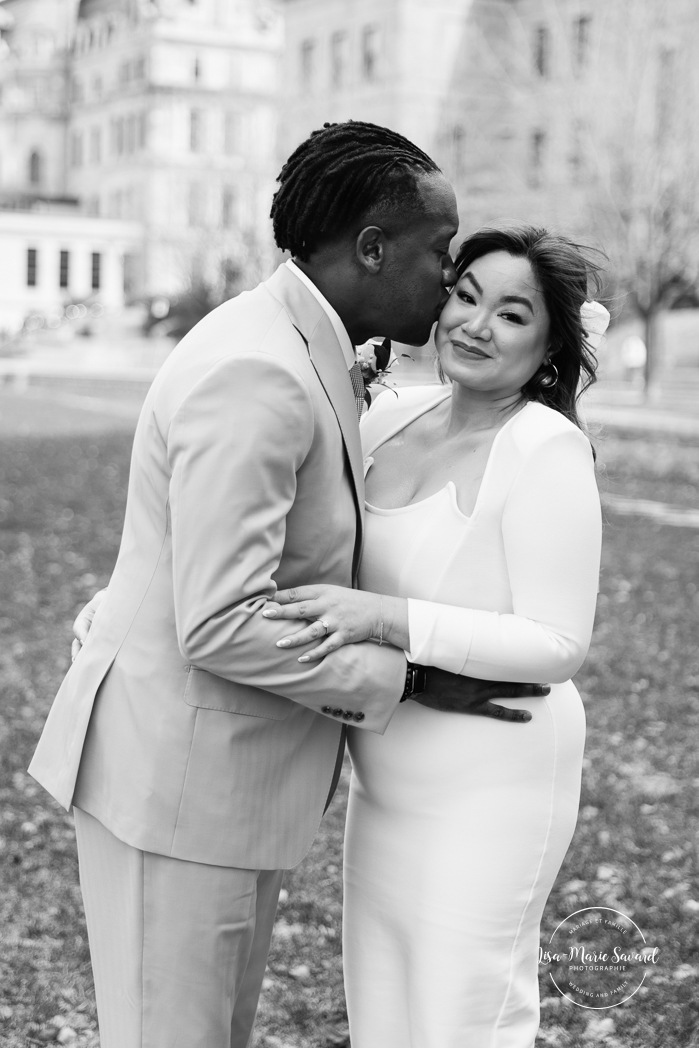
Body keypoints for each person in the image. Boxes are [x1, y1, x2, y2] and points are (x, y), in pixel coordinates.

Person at [27, 124, 542, 1048]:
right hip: (177, 791)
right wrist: (413, 680)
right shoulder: (258, 370)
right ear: (371, 248)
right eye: (437, 252)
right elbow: (221, 620)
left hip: (220, 784)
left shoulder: (307, 344)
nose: (447, 275)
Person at [264, 225, 608, 1047]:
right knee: (383, 1019)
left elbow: (557, 643)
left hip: (492, 783)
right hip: (383, 781)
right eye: (466, 296)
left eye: (511, 314)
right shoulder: (386, 419)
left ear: (551, 345)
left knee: (465, 1020)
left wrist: (387, 620)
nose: (474, 325)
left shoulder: (542, 447)